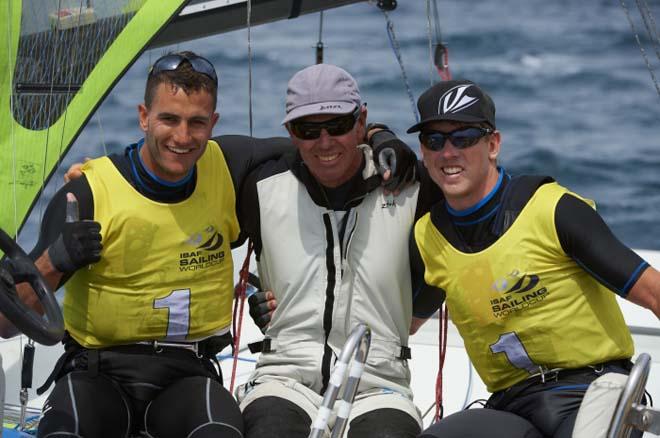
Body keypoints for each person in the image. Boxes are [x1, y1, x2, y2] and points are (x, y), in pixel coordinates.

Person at [0, 51, 278, 438]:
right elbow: (5, 324)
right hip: (97, 373)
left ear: (212, 123)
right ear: (144, 116)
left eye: (196, 122)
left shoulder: (229, 165)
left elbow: (319, 149)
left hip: (188, 374)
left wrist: (378, 137)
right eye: (169, 119)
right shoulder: (85, 195)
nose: (182, 137)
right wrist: (55, 260)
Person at [408, 79, 660, 438]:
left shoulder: (553, 209)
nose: (448, 152)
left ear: (492, 144)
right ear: (423, 151)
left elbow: (654, 292)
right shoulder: (427, 237)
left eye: (463, 138)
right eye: (435, 141)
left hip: (594, 388)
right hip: (512, 406)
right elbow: (404, 325)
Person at [235, 63, 439, 438]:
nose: (324, 142)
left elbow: (456, 260)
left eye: (339, 126)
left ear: (361, 121)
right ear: (290, 133)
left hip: (381, 385)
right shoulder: (260, 188)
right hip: (283, 376)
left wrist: (411, 319)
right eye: (307, 130)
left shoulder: (412, 186)